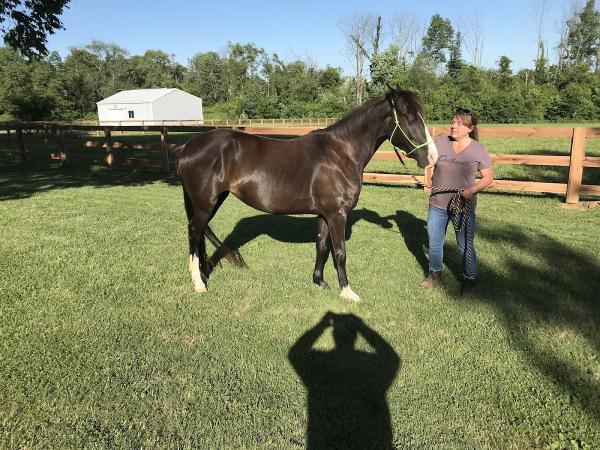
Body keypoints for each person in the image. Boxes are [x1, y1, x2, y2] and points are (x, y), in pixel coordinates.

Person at [419, 108, 494, 296]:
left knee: (465, 245)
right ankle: (434, 274)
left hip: (463, 206)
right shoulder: (440, 142)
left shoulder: (479, 150)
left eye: (459, 124)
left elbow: (487, 179)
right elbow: (426, 159)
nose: (453, 126)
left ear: (470, 128)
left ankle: (470, 279)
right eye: (453, 122)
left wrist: (470, 191)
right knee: (435, 242)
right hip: (438, 203)